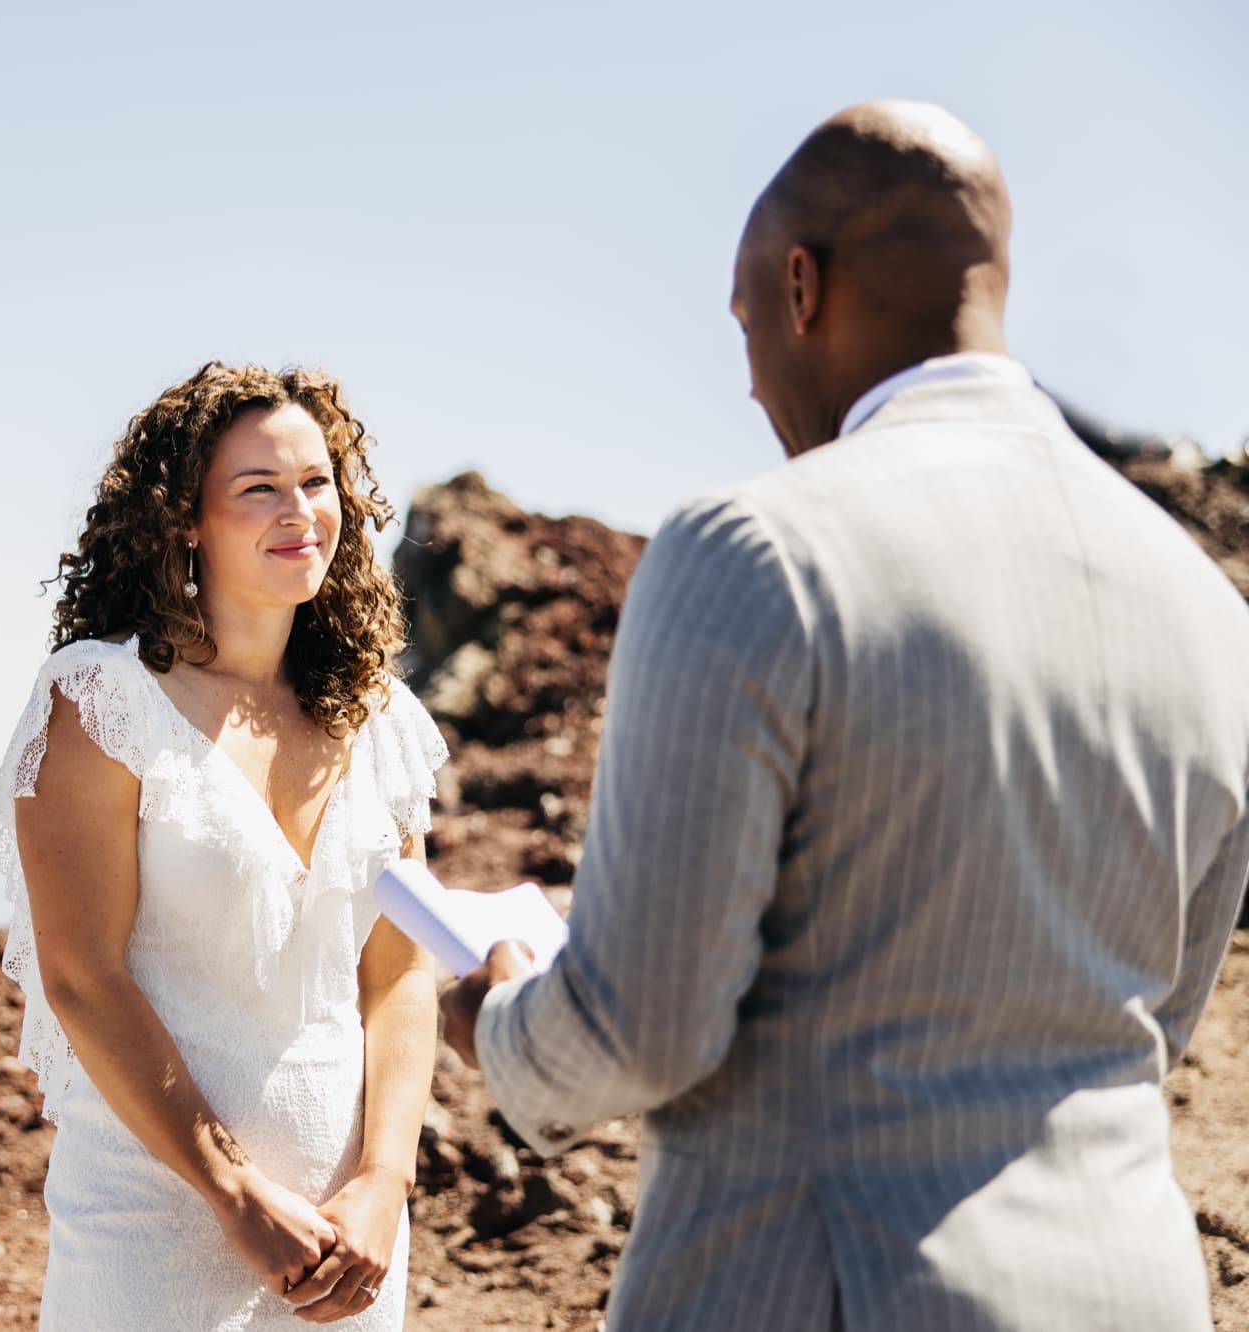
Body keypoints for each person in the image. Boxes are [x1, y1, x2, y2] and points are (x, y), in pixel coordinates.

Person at [440, 100, 1249, 1329]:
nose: (749, 370)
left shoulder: (756, 551)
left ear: (800, 286)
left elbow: (641, 1028)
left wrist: (502, 1022)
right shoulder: (1205, 607)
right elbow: (1154, 1020)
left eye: (745, 316)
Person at [0, 362, 448, 1328]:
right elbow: (82, 976)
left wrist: (384, 1184)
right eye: (259, 488)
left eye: (317, 483)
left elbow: (401, 975)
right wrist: (233, 1192)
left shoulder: (384, 720)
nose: (300, 511)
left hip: (346, 1245)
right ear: (184, 519)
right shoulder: (105, 702)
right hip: (154, 1232)